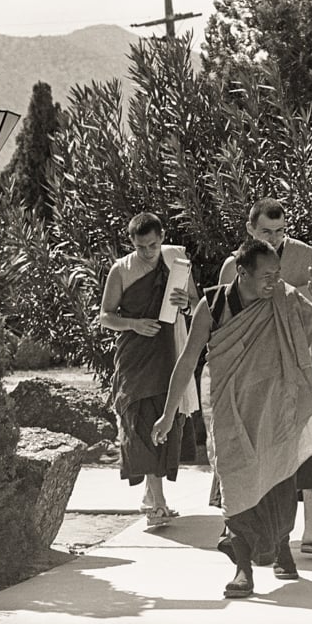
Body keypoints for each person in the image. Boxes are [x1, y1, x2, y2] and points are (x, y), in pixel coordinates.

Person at [153, 239, 312, 599]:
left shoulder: (285, 300)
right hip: (231, 411)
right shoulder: (215, 304)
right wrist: (167, 413)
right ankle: (242, 569)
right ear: (242, 273)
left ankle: (282, 545)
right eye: (266, 276)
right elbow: (189, 359)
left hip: (277, 409)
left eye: (277, 274)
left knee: (279, 487)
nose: (274, 281)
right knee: (237, 485)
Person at [218, 197, 312, 556]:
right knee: (251, 451)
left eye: (280, 231)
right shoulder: (234, 267)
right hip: (249, 379)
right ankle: (247, 532)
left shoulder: (306, 257)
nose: (274, 239)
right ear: (250, 230)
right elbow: (223, 328)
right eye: (265, 232)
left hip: (300, 370)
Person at [100, 212, 199, 525]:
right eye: (142, 247)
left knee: (166, 420)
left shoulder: (177, 261)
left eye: (154, 245)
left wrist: (186, 303)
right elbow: (105, 316)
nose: (149, 252)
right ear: (132, 242)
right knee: (142, 421)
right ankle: (158, 503)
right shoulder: (122, 271)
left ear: (162, 237)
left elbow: (197, 305)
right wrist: (133, 324)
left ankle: (151, 497)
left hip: (171, 350)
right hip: (137, 357)